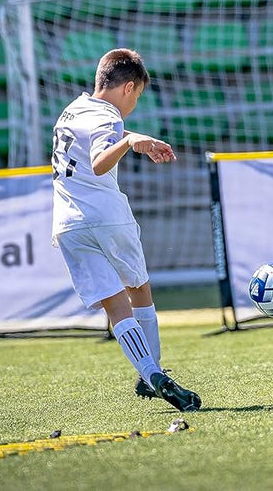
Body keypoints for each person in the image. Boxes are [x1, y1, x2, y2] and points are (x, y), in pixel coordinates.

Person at [50, 48, 201, 413]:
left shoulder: (73, 110)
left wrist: (135, 137)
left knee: (116, 307)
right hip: (107, 216)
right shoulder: (111, 118)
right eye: (137, 97)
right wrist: (131, 141)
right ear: (129, 88)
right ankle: (153, 371)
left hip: (69, 223)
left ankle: (150, 374)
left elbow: (99, 136)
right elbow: (101, 163)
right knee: (139, 290)